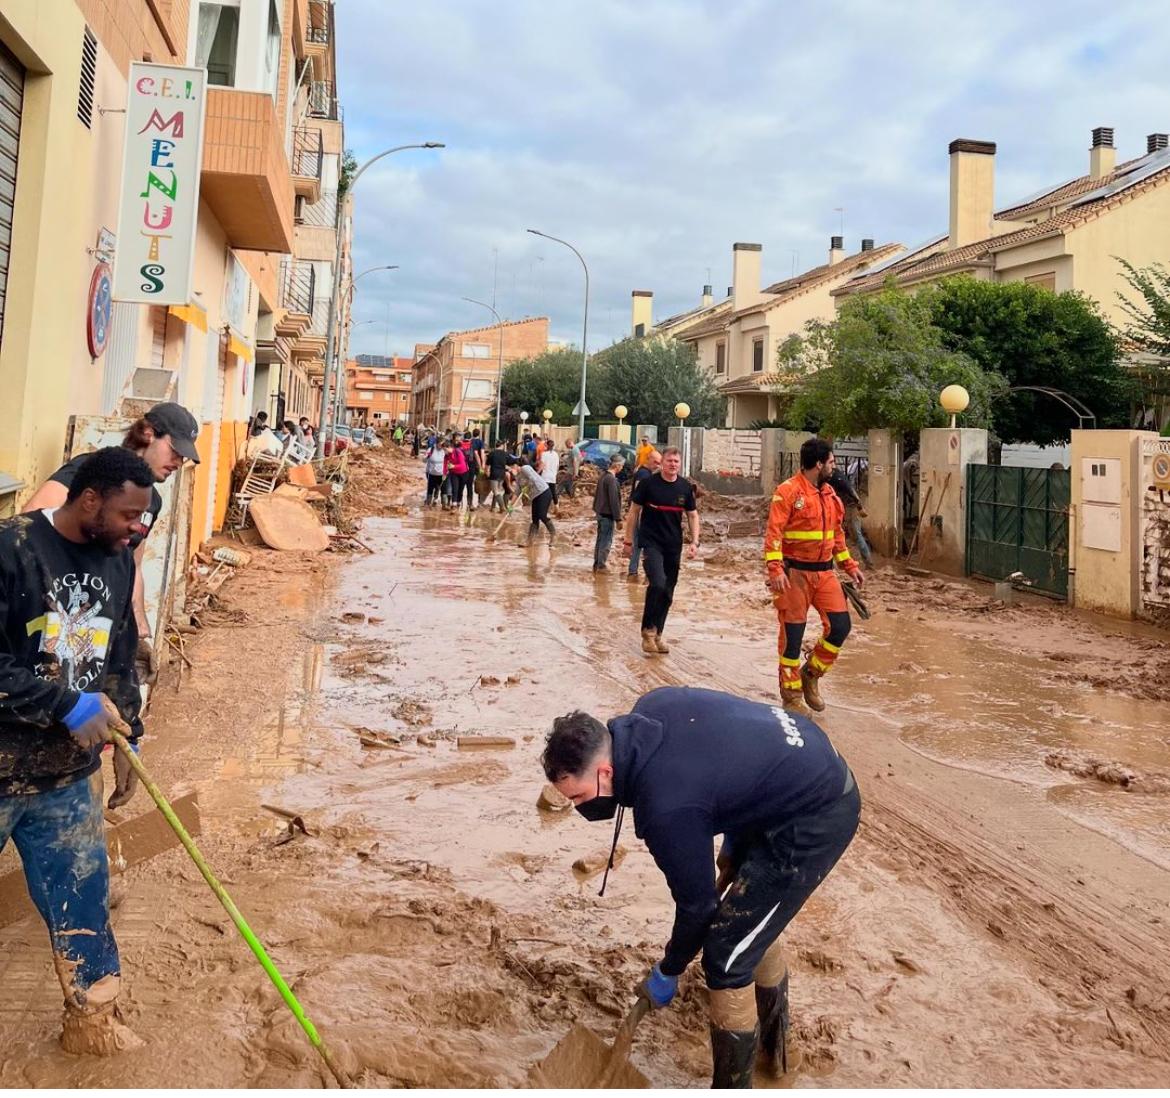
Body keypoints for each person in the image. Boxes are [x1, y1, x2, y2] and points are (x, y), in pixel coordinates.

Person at [542, 687, 860, 1087]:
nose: (580, 806)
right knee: (745, 922)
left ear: (606, 772)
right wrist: (734, 839)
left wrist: (669, 969)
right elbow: (725, 750)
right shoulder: (653, 706)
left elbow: (697, 907)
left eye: (580, 796)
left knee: (726, 956)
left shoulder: (665, 809)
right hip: (795, 759)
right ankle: (776, 1057)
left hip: (819, 809)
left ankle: (743, 1080)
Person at [1, 447, 156, 1055]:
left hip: (63, 780)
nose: (136, 528)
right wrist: (64, 705)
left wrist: (127, 736)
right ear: (89, 499)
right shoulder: (11, 548)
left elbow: (117, 658)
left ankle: (92, 1028)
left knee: (84, 906)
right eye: (127, 514)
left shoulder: (116, 561)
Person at [23, 401, 201, 686]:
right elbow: (33, 520)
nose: (179, 463)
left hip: (98, 624)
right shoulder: (93, 471)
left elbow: (134, 563)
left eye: (184, 457)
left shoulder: (151, 501)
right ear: (147, 432)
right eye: (175, 451)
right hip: (56, 616)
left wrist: (137, 624)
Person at [765, 438, 864, 712]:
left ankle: (811, 675)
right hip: (794, 573)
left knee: (841, 627)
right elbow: (773, 533)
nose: (834, 467)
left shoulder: (831, 496)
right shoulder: (787, 492)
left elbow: (837, 537)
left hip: (825, 574)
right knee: (792, 636)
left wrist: (850, 566)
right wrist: (775, 569)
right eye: (831, 462)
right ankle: (791, 695)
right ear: (818, 464)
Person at [622, 446, 698, 655]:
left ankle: (658, 634)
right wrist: (628, 541)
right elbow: (634, 512)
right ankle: (647, 631)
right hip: (651, 542)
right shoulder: (648, 484)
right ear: (662, 463)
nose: (673, 464)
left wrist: (695, 542)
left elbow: (692, 515)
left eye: (676, 461)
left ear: (679, 464)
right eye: (669, 461)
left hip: (673, 545)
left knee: (668, 591)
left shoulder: (684, 487)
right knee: (657, 583)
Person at [827, 462, 872, 567]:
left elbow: (851, 490)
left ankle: (869, 563)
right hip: (844, 506)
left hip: (851, 506)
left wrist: (860, 507)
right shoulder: (832, 476)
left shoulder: (836, 477)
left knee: (856, 534)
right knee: (850, 534)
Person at [627, 449, 661, 581]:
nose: (657, 465)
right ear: (648, 460)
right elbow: (638, 496)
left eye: (659, 463)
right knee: (645, 545)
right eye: (655, 462)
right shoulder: (644, 475)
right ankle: (641, 573)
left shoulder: (642, 471)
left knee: (639, 544)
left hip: (639, 514)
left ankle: (634, 572)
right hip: (642, 515)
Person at [592, 455, 624, 572]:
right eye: (621, 465)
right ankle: (601, 565)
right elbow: (614, 500)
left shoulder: (603, 476)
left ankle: (597, 563)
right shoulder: (611, 480)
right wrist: (618, 519)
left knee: (600, 539)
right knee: (606, 540)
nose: (622, 468)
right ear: (617, 465)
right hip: (607, 515)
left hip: (600, 513)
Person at [515, 455, 555, 546]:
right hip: (535, 496)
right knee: (534, 519)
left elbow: (533, 478)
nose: (512, 469)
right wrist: (510, 506)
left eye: (513, 466)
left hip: (543, 492)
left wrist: (527, 486)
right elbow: (516, 493)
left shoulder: (525, 468)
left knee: (541, 515)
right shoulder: (518, 478)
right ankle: (530, 542)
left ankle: (553, 535)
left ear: (518, 465)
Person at [486, 439, 516, 513]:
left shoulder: (492, 453)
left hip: (494, 474)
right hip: (502, 475)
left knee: (496, 491)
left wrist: (487, 472)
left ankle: (502, 507)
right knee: (497, 491)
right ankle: (492, 507)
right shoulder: (505, 454)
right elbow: (511, 461)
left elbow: (487, 465)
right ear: (502, 445)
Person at [443, 438, 468, 510]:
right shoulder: (447, 455)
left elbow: (462, 465)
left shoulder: (458, 452)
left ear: (449, 447)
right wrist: (444, 474)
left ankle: (458, 502)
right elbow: (445, 465)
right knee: (455, 488)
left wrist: (454, 466)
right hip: (454, 473)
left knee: (460, 489)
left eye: (445, 449)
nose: (444, 452)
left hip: (463, 472)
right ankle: (453, 504)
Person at [424, 438, 446, 506]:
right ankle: (428, 502)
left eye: (442, 445)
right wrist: (427, 456)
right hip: (431, 473)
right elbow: (424, 460)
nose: (441, 446)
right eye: (440, 444)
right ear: (436, 443)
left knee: (440, 488)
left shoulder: (445, 451)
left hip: (441, 473)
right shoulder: (431, 449)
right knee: (430, 488)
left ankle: (440, 502)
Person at [540, 438, 561, 506]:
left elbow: (542, 465)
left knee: (544, 492)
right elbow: (558, 466)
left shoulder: (544, 454)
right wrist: (555, 473)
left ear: (547, 446)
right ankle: (556, 506)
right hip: (553, 476)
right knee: (553, 492)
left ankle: (544, 505)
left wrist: (537, 473)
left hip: (545, 476)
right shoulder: (556, 454)